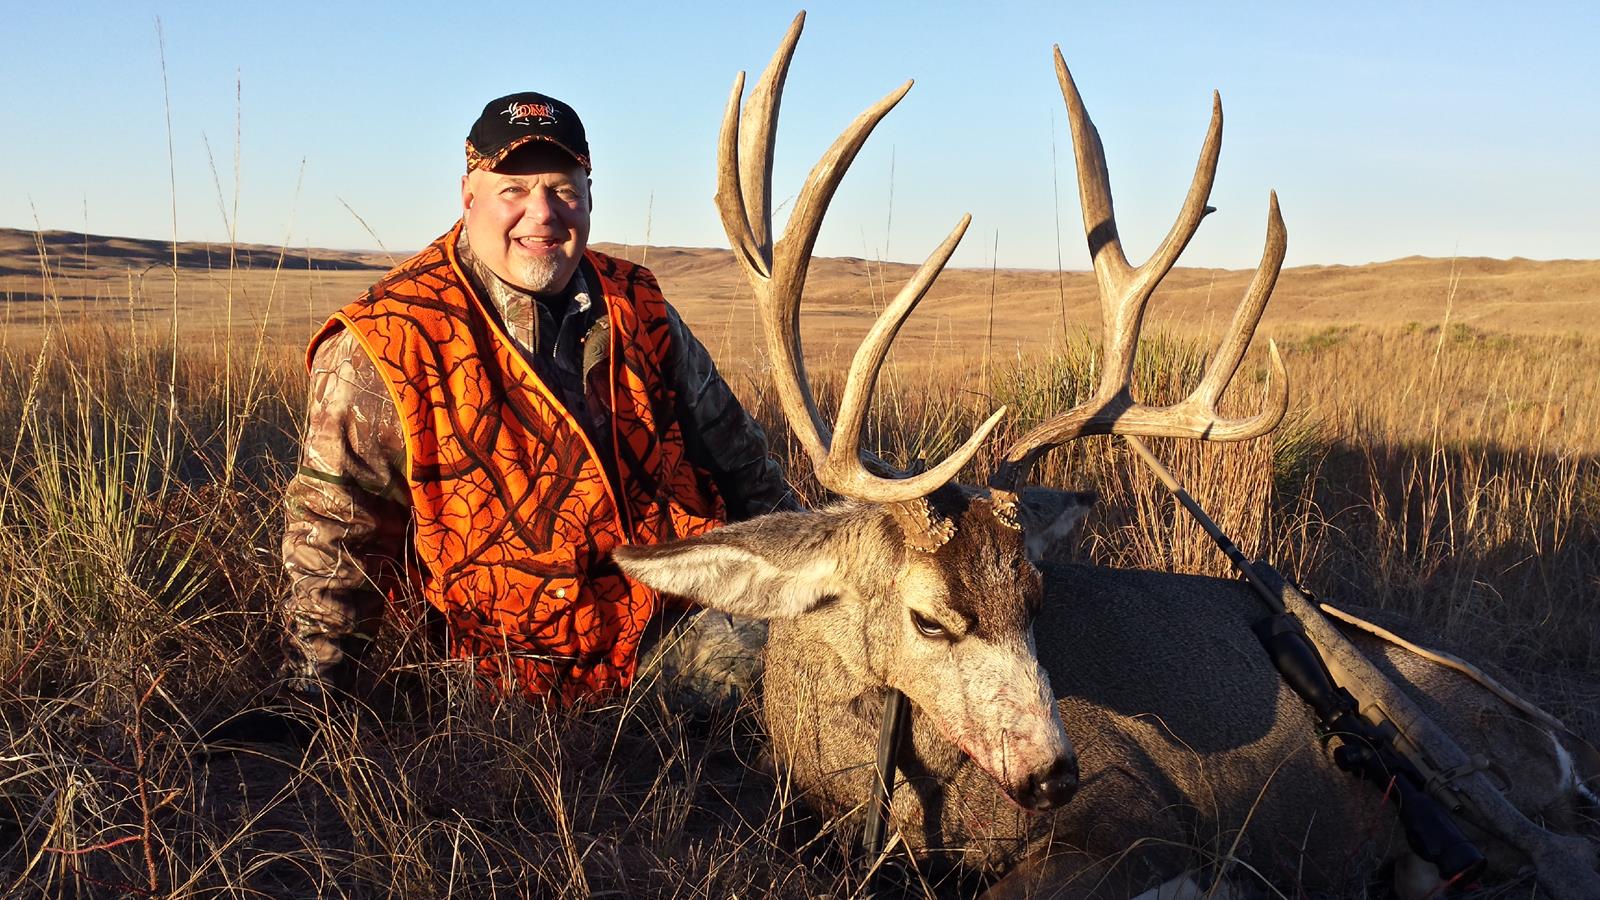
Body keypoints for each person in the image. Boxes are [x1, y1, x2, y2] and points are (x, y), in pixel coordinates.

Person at [279, 92, 793, 705]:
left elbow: (739, 458)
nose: (543, 213)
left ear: (589, 197)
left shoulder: (637, 301)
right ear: (469, 196)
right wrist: (318, 696)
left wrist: (805, 568)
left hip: (678, 623)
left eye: (564, 190)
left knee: (838, 654)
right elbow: (336, 531)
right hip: (509, 673)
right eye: (513, 191)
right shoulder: (389, 338)